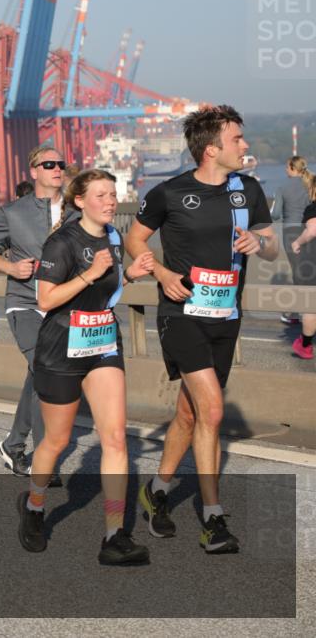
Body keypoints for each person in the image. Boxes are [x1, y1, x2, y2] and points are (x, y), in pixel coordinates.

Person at [125, 105, 277, 554]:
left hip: (225, 316)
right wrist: (162, 273)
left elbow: (272, 248)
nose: (245, 145)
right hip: (181, 314)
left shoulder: (248, 190)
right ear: (211, 149)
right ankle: (213, 519)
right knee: (211, 411)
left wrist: (260, 242)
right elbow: (134, 238)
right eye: (237, 139)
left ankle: (156, 491)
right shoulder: (169, 193)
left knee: (190, 414)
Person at [16, 169, 156, 565]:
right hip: (61, 346)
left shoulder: (113, 237)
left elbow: (107, 293)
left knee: (115, 439)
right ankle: (34, 506)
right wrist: (89, 274)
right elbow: (46, 300)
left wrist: (129, 276)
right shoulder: (62, 242)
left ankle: (114, 536)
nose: (111, 201)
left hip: (103, 342)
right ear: (80, 201)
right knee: (56, 441)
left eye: (113, 194)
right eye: (101, 195)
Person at [0, 145, 74, 483]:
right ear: (33, 171)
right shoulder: (12, 212)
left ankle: (13, 444)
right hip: (25, 303)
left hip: (64, 306)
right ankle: (45, 462)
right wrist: (11, 267)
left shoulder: (77, 210)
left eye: (61, 164)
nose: (57, 169)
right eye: (49, 164)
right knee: (45, 370)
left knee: (38, 374)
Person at [271, 156, 313, 324]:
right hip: (310, 230)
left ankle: (297, 313)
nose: (285, 169)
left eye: (287, 167)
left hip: (291, 232)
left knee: (298, 271)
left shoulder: (282, 187)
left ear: (292, 168)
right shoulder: (310, 184)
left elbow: (275, 214)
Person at [288, 163, 316, 360]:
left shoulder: (313, 208)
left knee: (310, 306)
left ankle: (305, 345)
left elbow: (313, 230)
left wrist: (297, 242)